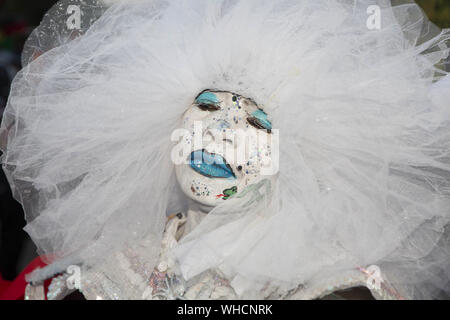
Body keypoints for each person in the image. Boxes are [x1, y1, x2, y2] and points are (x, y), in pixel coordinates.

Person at [1, 0, 449, 300]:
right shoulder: (110, 267)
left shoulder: (335, 283)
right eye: (207, 104)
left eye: (255, 121)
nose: (218, 133)